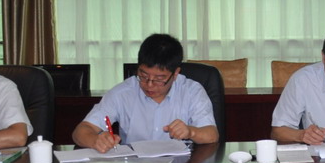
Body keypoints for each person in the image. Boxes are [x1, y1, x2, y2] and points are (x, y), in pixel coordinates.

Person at [72, 33, 218, 152]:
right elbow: (81, 131)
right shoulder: (123, 93)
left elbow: (212, 134)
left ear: (175, 74)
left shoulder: (192, 91)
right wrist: (96, 140)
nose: (149, 85)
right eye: (143, 76)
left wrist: (190, 132)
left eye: (159, 79)